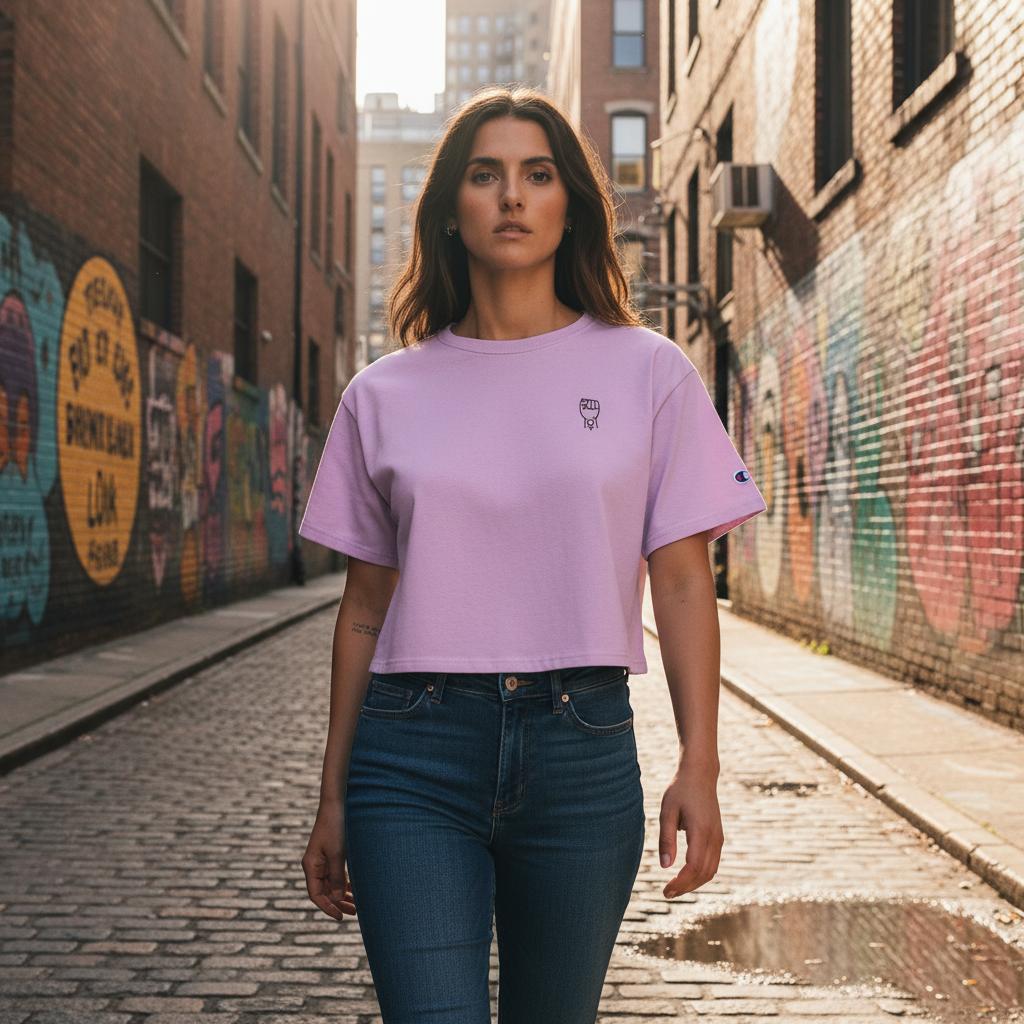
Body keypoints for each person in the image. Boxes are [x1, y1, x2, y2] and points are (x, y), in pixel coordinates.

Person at [298, 85, 767, 1024]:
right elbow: (362, 608)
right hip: (412, 756)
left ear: (569, 206)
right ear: (451, 211)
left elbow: (680, 581)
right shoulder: (382, 395)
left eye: (537, 174)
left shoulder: (649, 372)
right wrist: (333, 795)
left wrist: (700, 766)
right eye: (486, 175)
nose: (512, 196)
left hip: (580, 751)